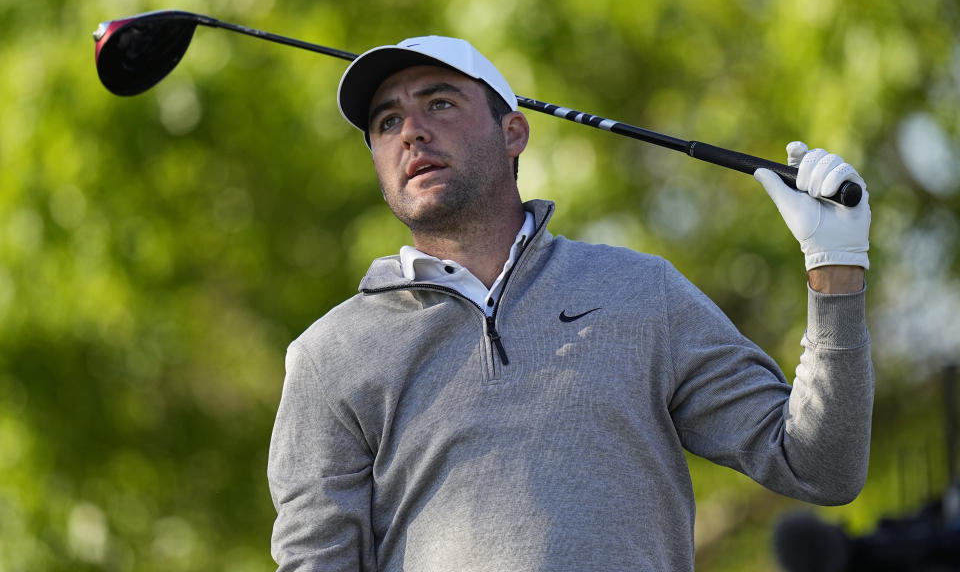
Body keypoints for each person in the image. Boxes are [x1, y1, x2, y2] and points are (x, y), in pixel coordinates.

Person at [267, 36, 873, 571]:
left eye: (441, 103)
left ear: (513, 133)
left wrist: (835, 271)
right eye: (386, 122)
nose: (412, 132)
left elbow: (819, 466)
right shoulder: (330, 356)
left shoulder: (641, 292)